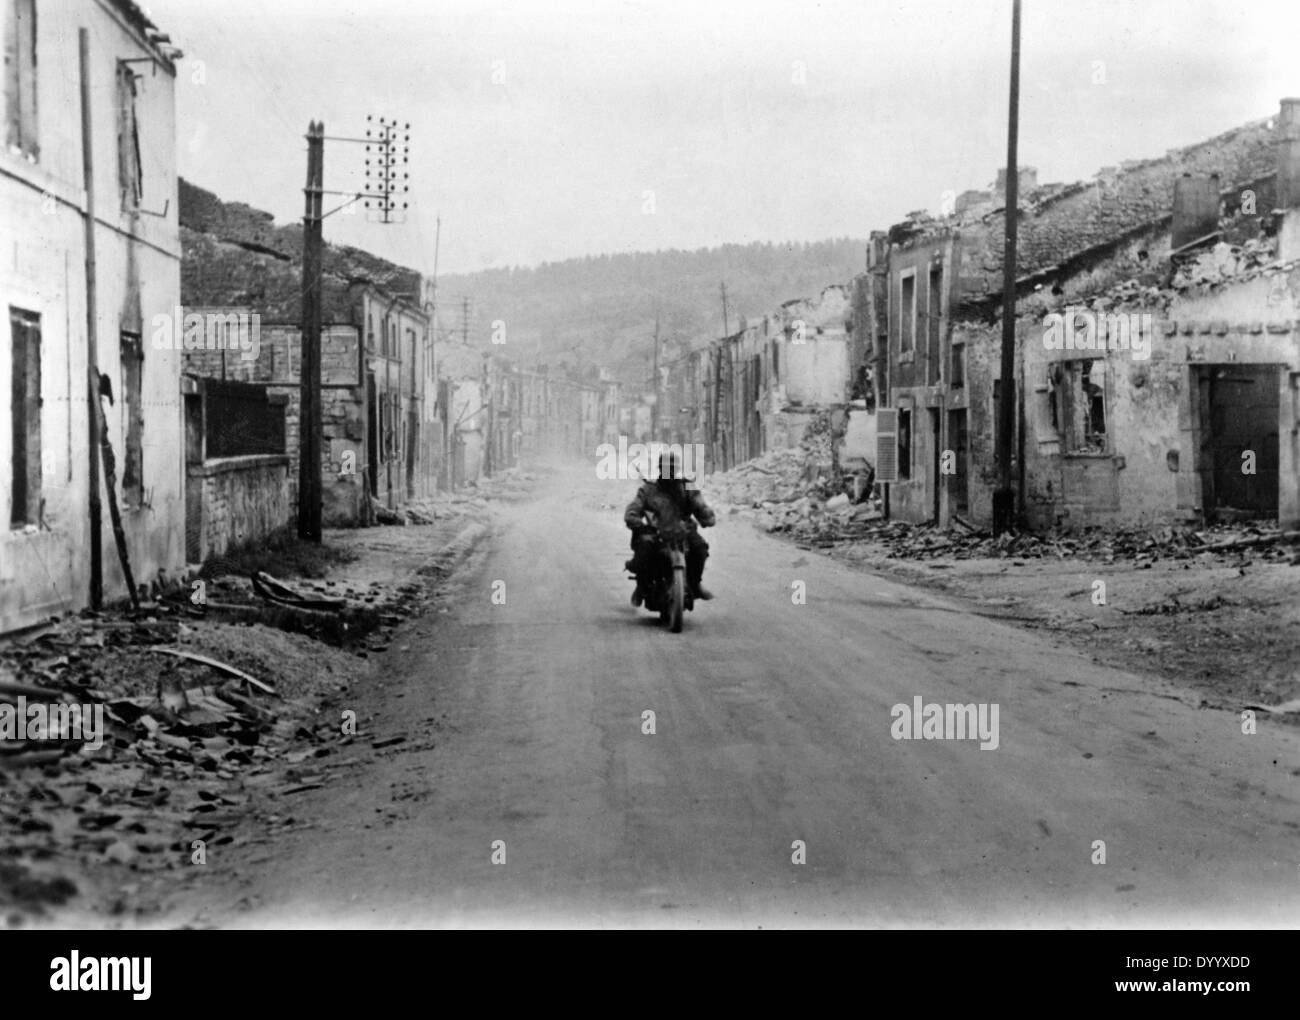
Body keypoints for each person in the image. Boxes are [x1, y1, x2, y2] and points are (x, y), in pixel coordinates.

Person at [624, 450, 716, 605]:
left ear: (677, 469)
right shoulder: (649, 490)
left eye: (672, 469)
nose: (670, 472)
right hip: (656, 531)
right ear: (660, 469)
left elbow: (699, 505)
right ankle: (642, 586)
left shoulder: (687, 487)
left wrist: (706, 516)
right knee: (645, 547)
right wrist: (635, 520)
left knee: (700, 548)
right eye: (666, 468)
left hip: (683, 530)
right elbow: (635, 507)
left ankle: (695, 583)